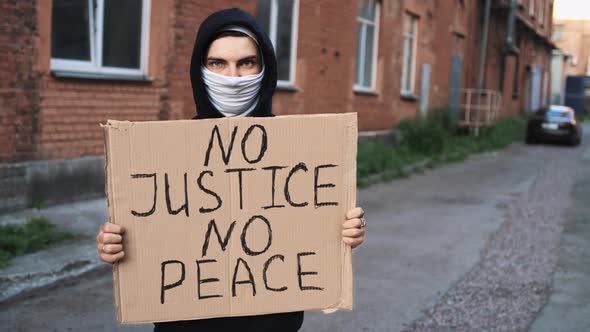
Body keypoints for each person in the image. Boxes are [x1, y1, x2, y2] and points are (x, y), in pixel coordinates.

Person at [96, 8, 366, 332]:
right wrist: (115, 243)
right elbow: (152, 234)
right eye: (218, 64)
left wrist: (344, 231)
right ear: (200, 69)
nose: (234, 78)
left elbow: (311, 228)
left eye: (246, 63)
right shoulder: (165, 153)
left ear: (264, 67)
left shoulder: (300, 153)